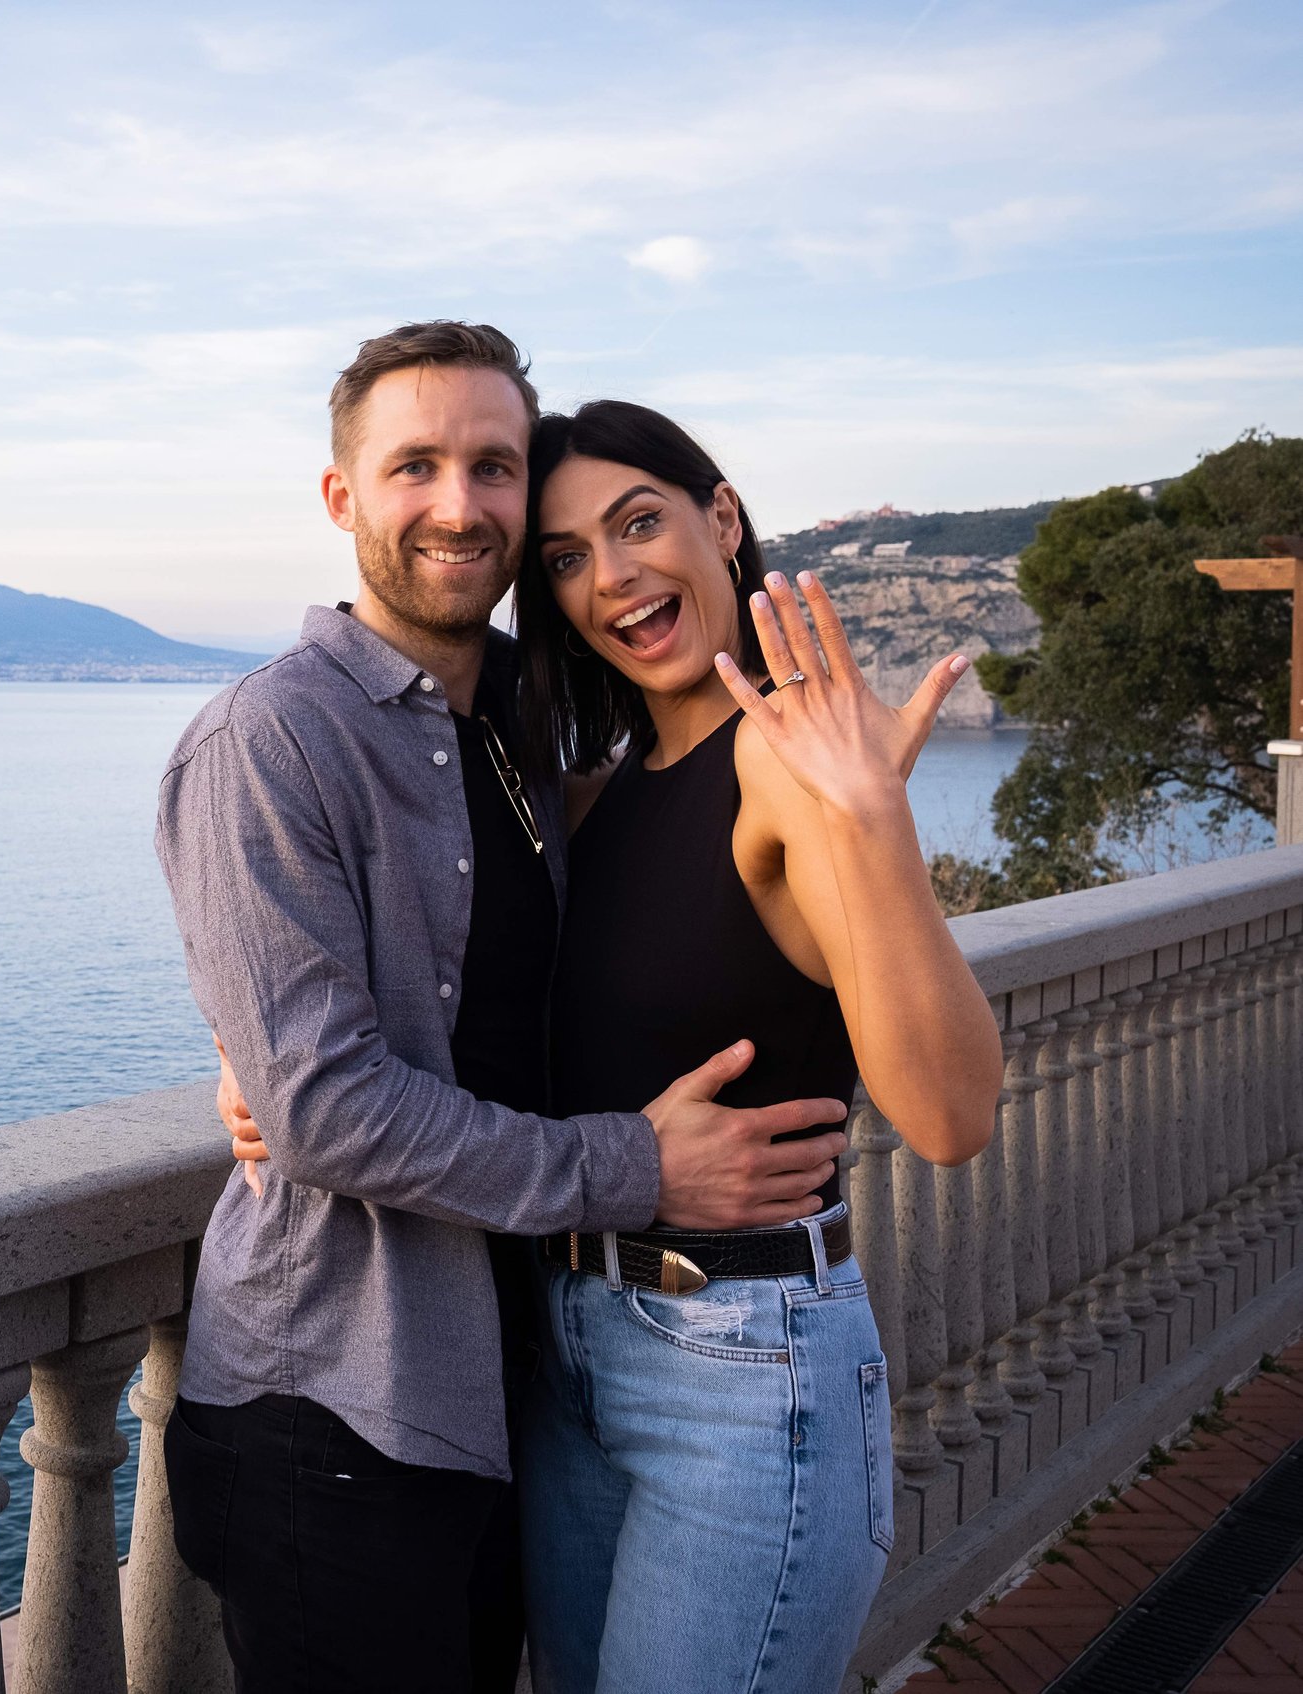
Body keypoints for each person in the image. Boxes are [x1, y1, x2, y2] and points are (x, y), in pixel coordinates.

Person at [222, 398, 1003, 1693]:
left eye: (640, 522)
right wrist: (261, 1061)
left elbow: (952, 1112)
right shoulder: (592, 791)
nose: (613, 575)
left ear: (725, 519)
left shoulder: (791, 778)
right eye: (570, 558)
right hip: (563, 1351)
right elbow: (457, 987)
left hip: (741, 1367)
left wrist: (871, 819)